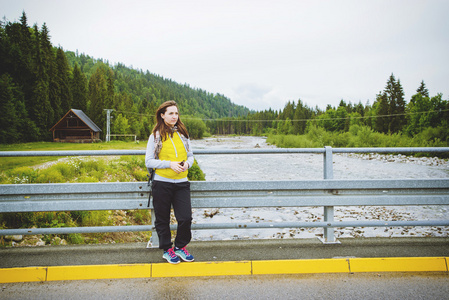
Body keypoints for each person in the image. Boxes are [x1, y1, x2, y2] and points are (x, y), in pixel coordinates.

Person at [145, 100, 195, 264]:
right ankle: (167, 249)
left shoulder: (183, 134)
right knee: (162, 219)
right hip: (162, 183)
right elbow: (149, 162)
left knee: (185, 218)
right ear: (162, 115)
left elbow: (191, 156)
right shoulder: (155, 136)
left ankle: (180, 247)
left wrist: (187, 164)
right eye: (171, 113)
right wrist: (169, 164)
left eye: (176, 113)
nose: (174, 116)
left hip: (182, 183)